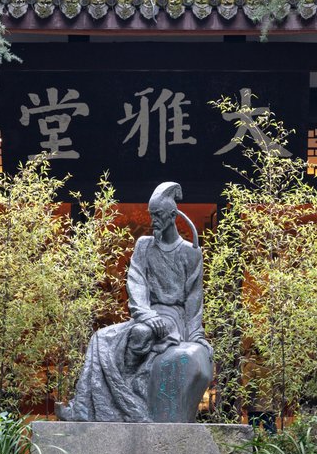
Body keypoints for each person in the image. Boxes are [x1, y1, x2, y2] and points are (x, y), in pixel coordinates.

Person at [56, 181, 213, 422]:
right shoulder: (144, 245)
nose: (154, 221)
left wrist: (196, 336)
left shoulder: (190, 252)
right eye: (152, 216)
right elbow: (136, 281)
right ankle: (84, 409)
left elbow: (194, 297)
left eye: (159, 215)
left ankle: (129, 393)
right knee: (101, 338)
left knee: (140, 334)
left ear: (172, 216)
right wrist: (146, 314)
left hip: (173, 319)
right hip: (148, 314)